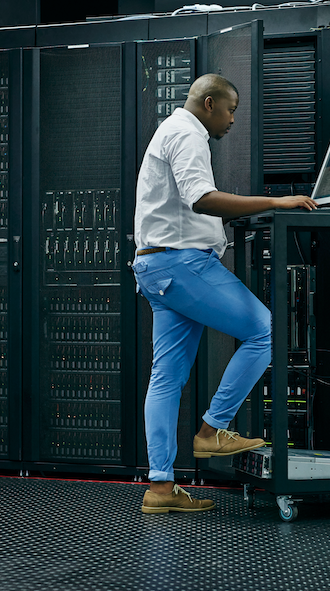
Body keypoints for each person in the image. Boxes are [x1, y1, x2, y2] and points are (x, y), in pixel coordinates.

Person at [133, 73, 317, 514]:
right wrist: (278, 202)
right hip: (181, 264)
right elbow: (202, 199)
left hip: (156, 266)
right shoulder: (188, 133)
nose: (234, 120)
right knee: (264, 331)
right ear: (210, 103)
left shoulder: (172, 130)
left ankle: (160, 488)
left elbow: (189, 206)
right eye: (231, 110)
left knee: (167, 377)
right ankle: (212, 429)